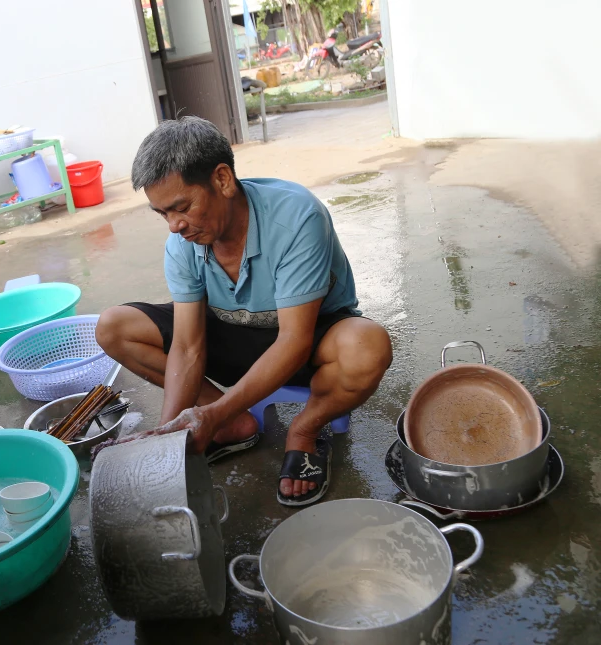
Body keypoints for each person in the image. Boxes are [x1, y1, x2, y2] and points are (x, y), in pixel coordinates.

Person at [95, 117, 392, 507]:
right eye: (162, 213)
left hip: (307, 338)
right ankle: (232, 424)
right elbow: (187, 347)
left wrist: (212, 414)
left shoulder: (296, 218)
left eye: (181, 207)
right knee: (114, 327)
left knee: (367, 347)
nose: (173, 226)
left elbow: (293, 340)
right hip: (231, 332)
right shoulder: (184, 242)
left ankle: (304, 430)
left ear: (222, 180)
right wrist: (169, 433)